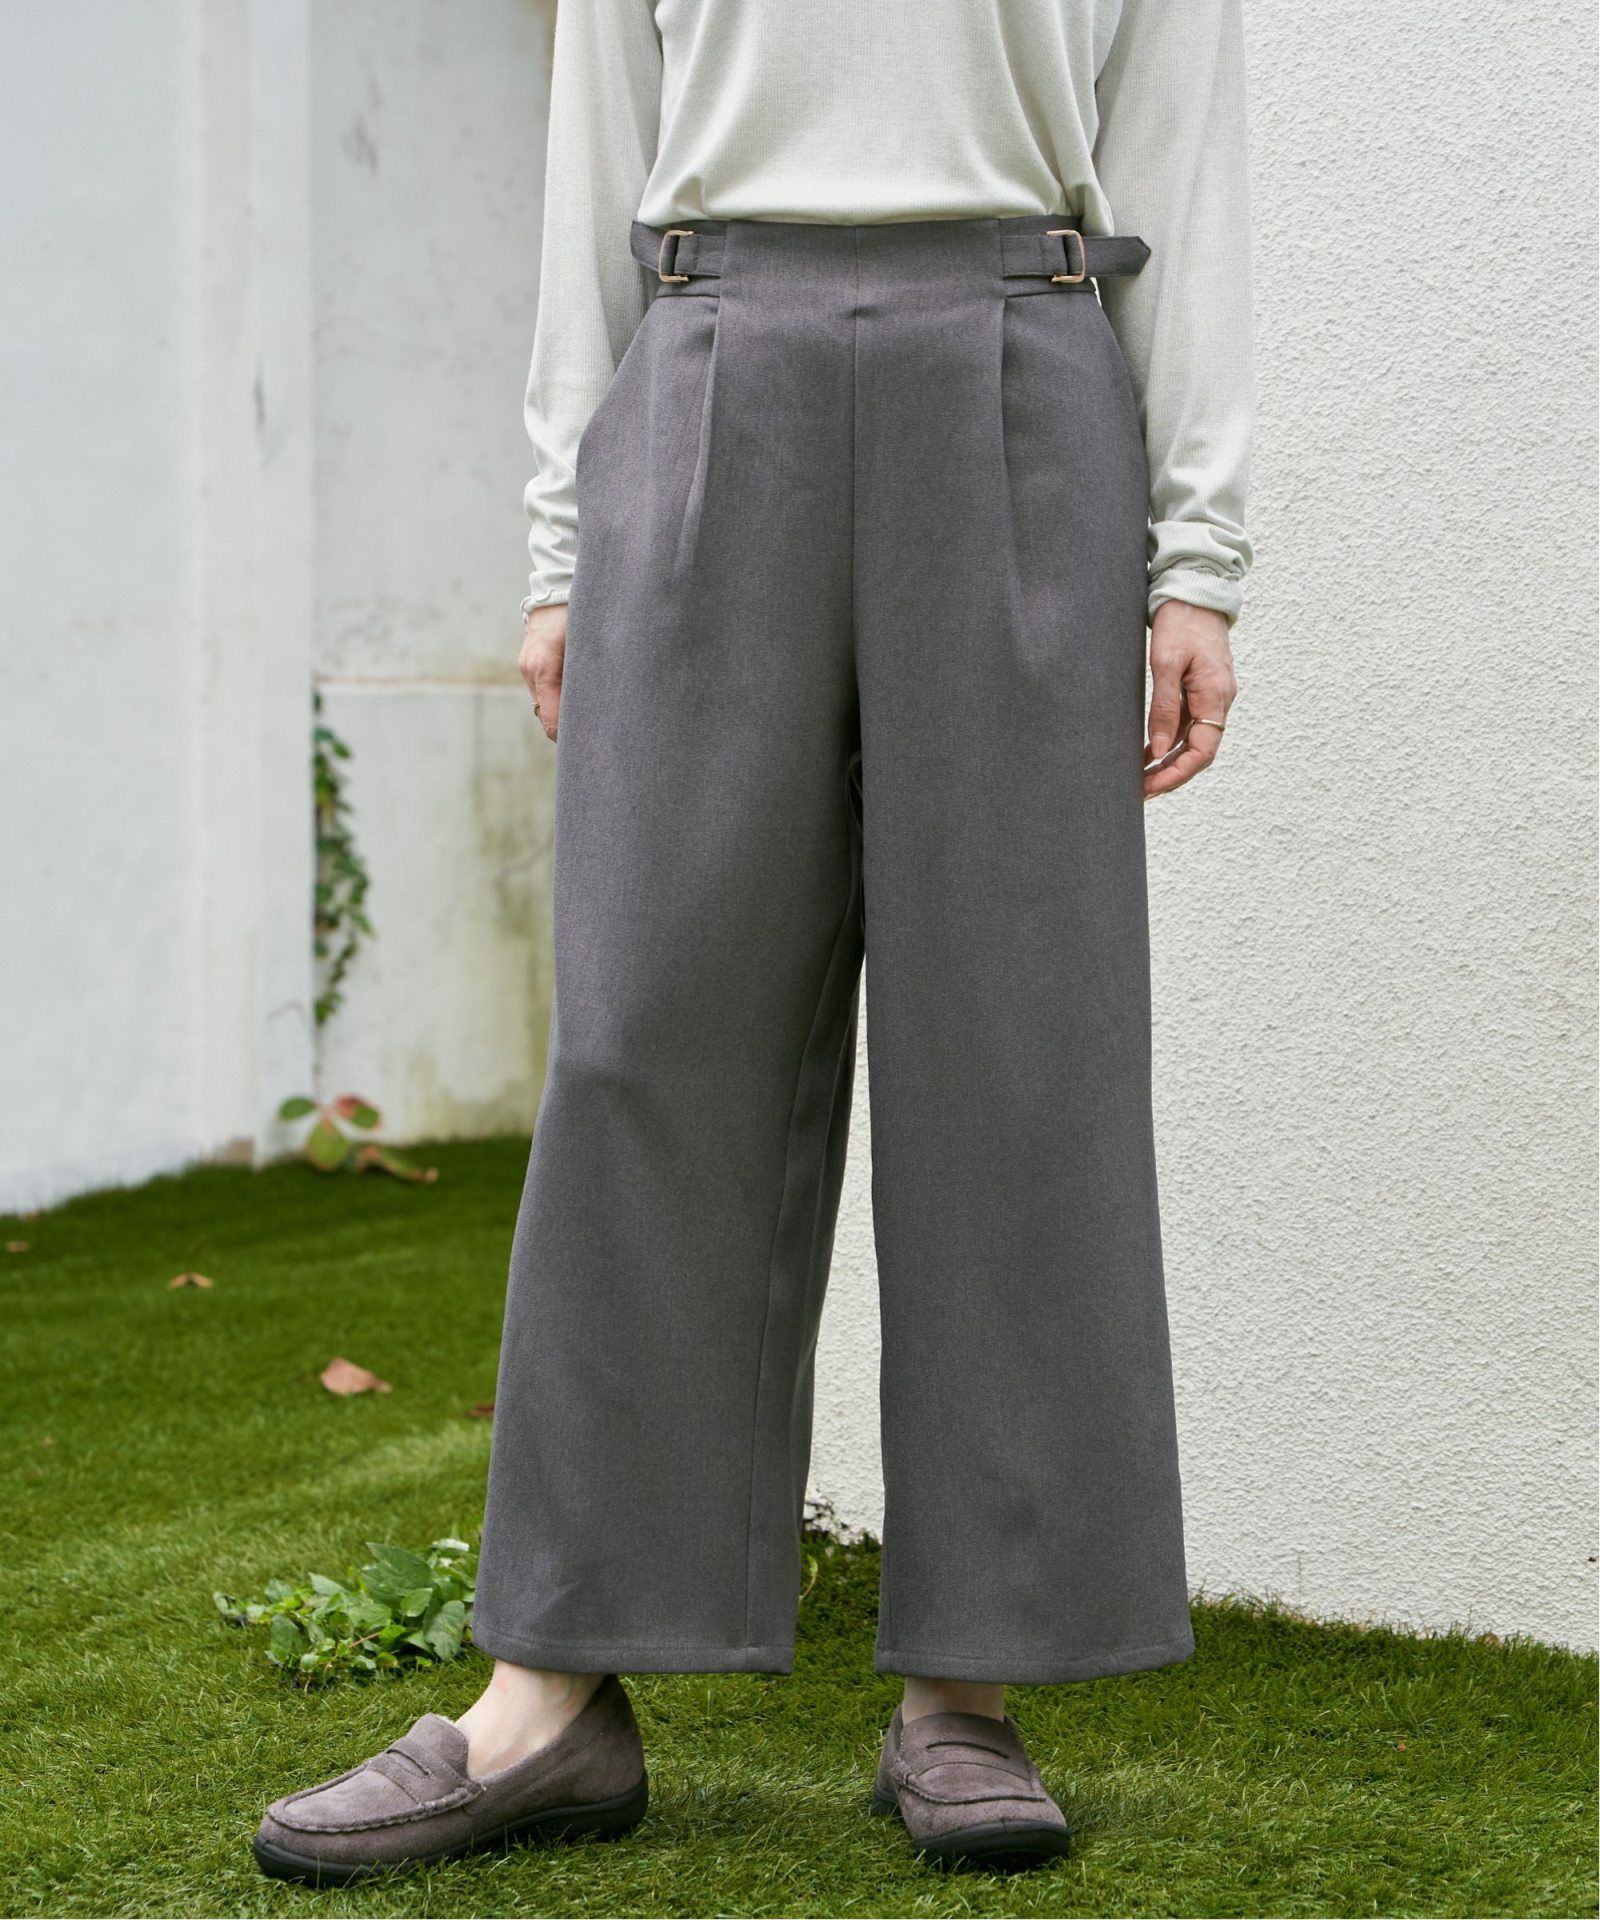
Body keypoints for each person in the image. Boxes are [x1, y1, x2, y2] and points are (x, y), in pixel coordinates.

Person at [252, 0, 1251, 1884]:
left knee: (1013, 1044)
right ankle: (550, 1694)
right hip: (710, 359)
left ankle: (968, 1688)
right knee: (644, 1035)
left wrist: (1199, 559)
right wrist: (563, 546)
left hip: (1025, 356)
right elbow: (596, 161)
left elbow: (1184, 167)